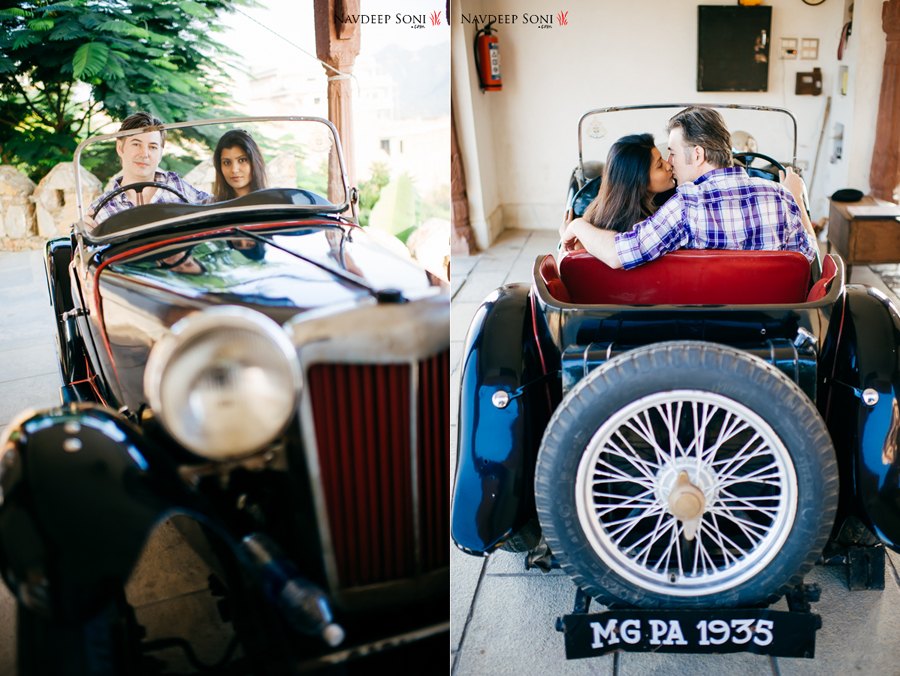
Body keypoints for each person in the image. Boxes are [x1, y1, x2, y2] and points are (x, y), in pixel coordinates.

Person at [562, 106, 817, 269]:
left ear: (697, 155)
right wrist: (796, 200)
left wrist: (576, 225)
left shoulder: (685, 206)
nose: (670, 162)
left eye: (671, 153)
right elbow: (810, 259)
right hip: (771, 326)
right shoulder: (781, 197)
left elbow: (618, 254)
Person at [88, 111, 211, 224]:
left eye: (152, 147)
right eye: (136, 144)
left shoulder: (177, 185)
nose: (144, 154)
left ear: (161, 152)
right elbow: (87, 246)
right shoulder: (100, 209)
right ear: (120, 148)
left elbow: (215, 208)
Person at [579, 133, 675, 233]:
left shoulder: (596, 213)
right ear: (638, 179)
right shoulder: (640, 229)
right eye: (659, 165)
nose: (668, 165)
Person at [211, 129, 268, 201]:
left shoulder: (275, 204)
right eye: (227, 162)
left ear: (255, 163)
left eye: (242, 160)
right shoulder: (211, 207)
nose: (234, 170)